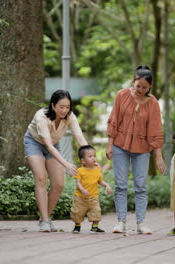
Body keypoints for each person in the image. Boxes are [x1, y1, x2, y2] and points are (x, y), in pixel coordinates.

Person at [106, 65, 166, 235]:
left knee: (141, 185)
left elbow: (155, 129)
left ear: (150, 87)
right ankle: (121, 221)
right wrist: (109, 144)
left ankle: (141, 223)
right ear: (134, 81)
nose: (140, 90)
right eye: (138, 85)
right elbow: (114, 120)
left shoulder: (153, 102)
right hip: (120, 146)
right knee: (120, 185)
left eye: (144, 87)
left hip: (142, 149)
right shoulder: (122, 95)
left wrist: (158, 155)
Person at [24, 90, 88, 232]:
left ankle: (44, 218)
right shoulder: (41, 117)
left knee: (58, 184)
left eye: (67, 107)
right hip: (35, 142)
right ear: (53, 105)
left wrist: (90, 157)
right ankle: (46, 221)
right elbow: (47, 145)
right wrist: (66, 164)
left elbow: (80, 138)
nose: (65, 110)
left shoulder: (70, 117)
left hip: (54, 144)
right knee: (41, 178)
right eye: (61, 107)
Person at [71, 145, 113, 233]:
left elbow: (100, 181)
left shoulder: (97, 169)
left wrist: (107, 185)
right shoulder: (80, 170)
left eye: (94, 156)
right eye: (90, 156)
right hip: (80, 197)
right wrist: (82, 190)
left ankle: (94, 227)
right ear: (83, 160)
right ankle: (77, 226)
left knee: (96, 211)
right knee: (77, 212)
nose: (93, 158)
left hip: (93, 197)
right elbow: (78, 183)